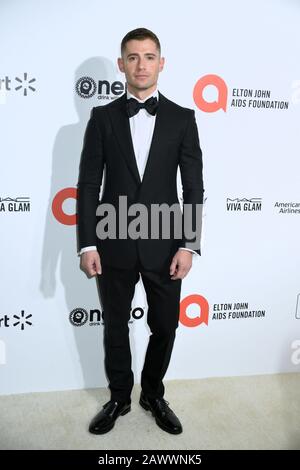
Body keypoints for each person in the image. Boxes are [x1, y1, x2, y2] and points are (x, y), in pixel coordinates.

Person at [77, 27, 204, 435]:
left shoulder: (184, 119)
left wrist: (189, 245)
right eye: (133, 57)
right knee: (115, 325)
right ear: (121, 65)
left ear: (161, 63)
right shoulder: (102, 118)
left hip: (167, 245)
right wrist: (87, 243)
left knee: (165, 326)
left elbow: (194, 188)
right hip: (112, 244)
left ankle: (152, 393)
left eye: (149, 57)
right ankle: (118, 397)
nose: (141, 65)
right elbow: (87, 185)